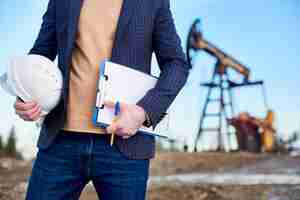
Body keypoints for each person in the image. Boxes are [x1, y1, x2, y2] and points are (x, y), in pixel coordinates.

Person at [14, 0, 190, 199]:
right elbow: (40, 56)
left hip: (125, 146)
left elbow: (177, 64)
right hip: (60, 142)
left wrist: (143, 112)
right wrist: (25, 96)